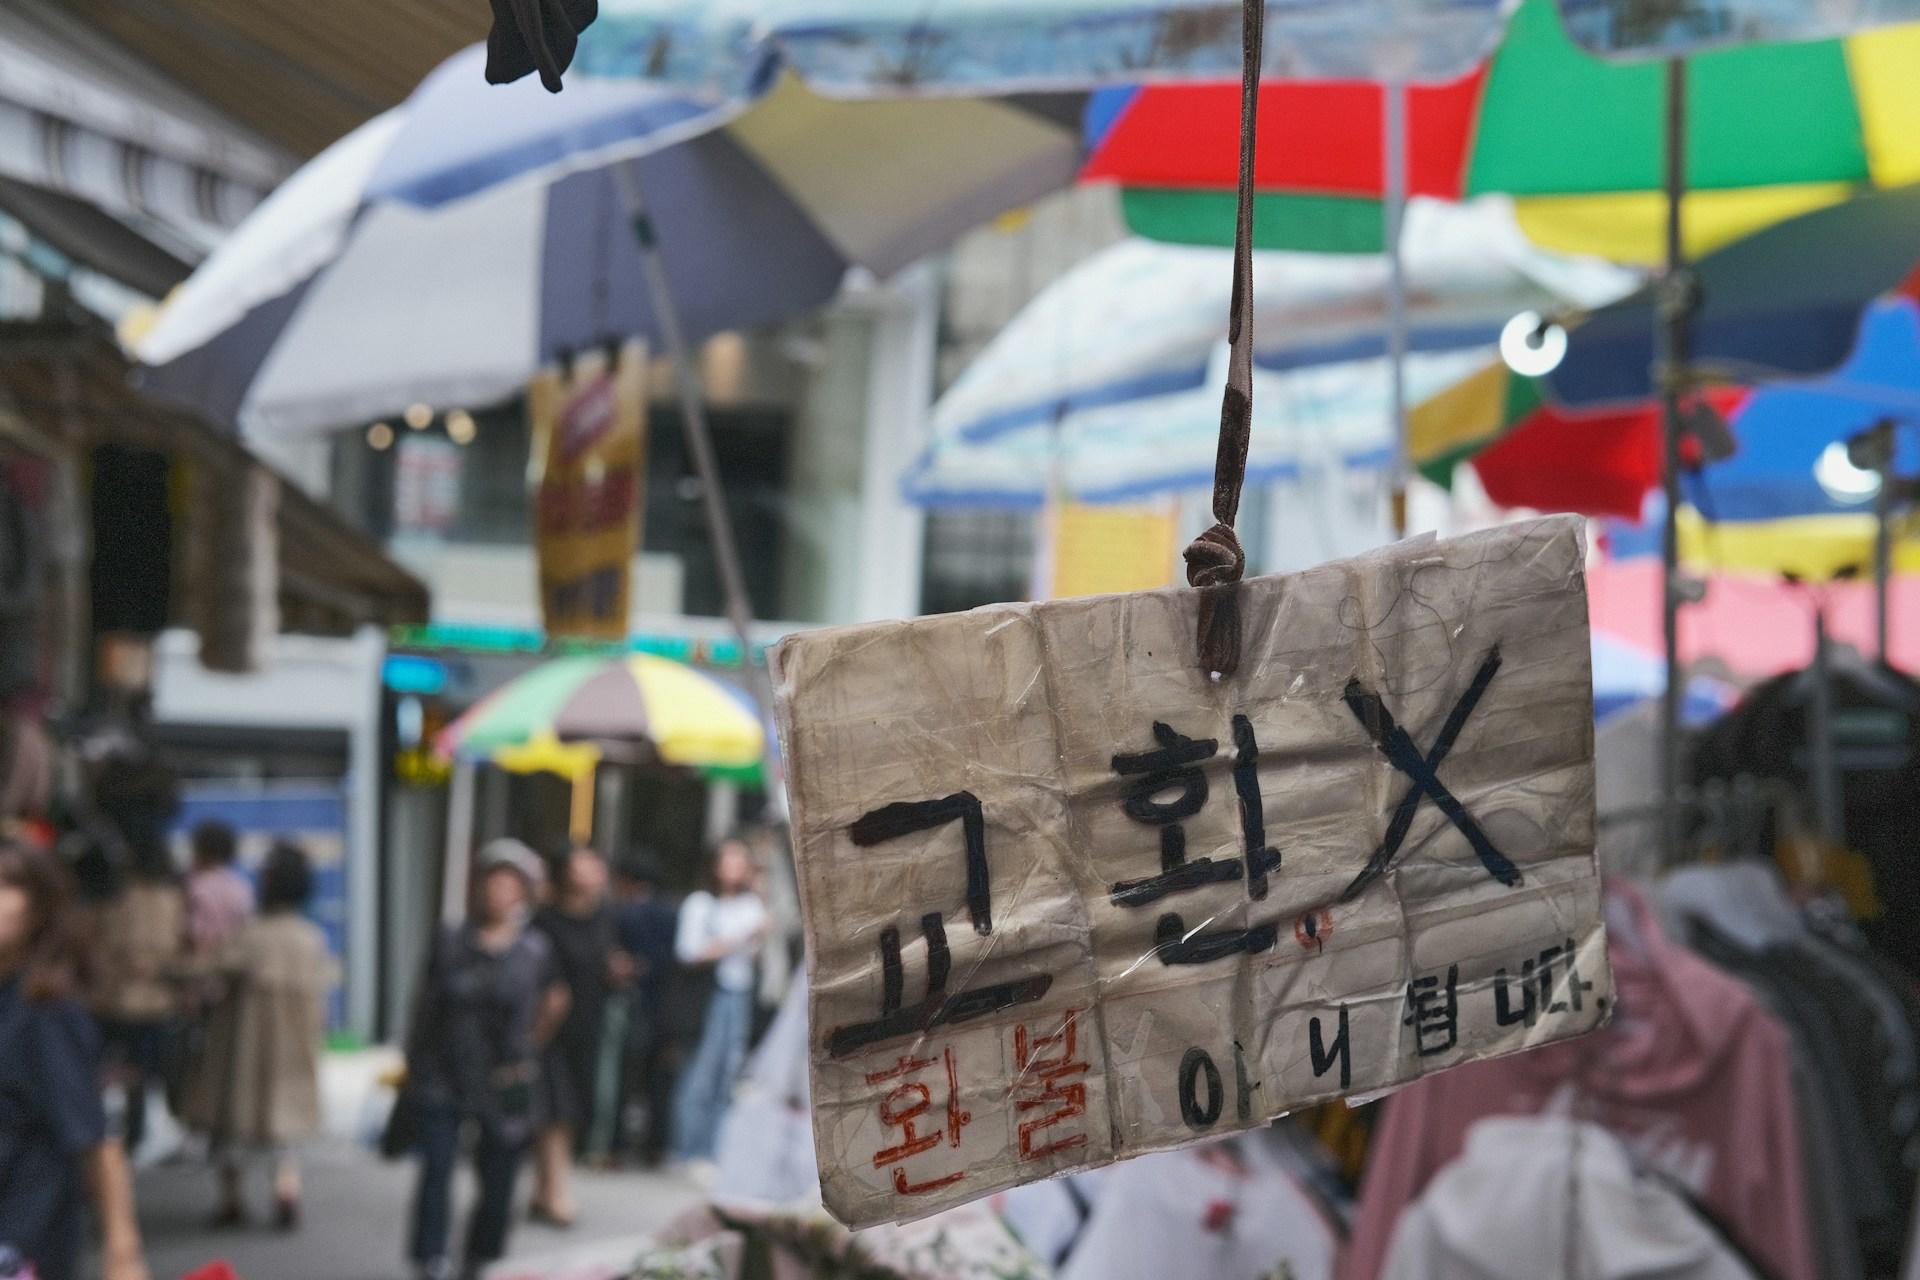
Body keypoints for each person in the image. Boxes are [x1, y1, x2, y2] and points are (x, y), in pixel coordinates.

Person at [404, 839, 567, 1280]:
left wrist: (530, 1044)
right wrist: (412, 1069)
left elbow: (556, 999)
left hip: (506, 1074)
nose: (498, 893)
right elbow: (425, 1006)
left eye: (509, 885)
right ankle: (430, 1257)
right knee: (436, 1169)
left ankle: (481, 1256)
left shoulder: (535, 949)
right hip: (444, 1069)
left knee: (499, 1178)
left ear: (522, 892)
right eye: (492, 882)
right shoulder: (450, 938)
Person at [0, 839, 148, 1280]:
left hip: (23, 1241)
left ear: (40, 908)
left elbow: (96, 1138)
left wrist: (124, 1253)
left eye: (8, 886)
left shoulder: (46, 1013)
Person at [183, 841, 335, 1230]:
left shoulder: (249, 936)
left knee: (230, 1127)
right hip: (294, 1049)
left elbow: (210, 968)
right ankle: (286, 1187)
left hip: (242, 1048)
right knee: (284, 1130)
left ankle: (231, 1199)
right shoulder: (310, 938)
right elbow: (323, 999)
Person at [528, 844, 617, 1225]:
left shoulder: (603, 918)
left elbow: (601, 965)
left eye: (597, 863)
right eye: (585, 863)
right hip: (547, 1028)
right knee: (556, 1111)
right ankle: (557, 1194)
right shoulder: (544, 922)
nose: (595, 869)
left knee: (567, 1108)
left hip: (587, 1025)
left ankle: (541, 1189)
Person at [669, 836, 768, 1170]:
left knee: (728, 1073)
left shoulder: (752, 905)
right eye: (729, 860)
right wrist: (740, 938)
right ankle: (685, 1150)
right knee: (700, 1071)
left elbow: (754, 960)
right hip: (708, 995)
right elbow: (689, 951)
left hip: (739, 994)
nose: (735, 868)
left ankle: (713, 1151)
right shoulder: (701, 903)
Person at [86, 832, 186, 1157]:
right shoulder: (173, 900)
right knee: (149, 1070)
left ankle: (120, 1132)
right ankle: (144, 1128)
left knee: (115, 1069)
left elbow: (98, 946)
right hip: (158, 1000)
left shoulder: (115, 901)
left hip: (116, 999)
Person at [609, 853, 682, 1166]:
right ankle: (657, 1146)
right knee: (660, 1080)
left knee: (625, 1076)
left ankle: (617, 1145)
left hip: (634, 1004)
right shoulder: (672, 913)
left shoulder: (623, 914)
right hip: (668, 1006)